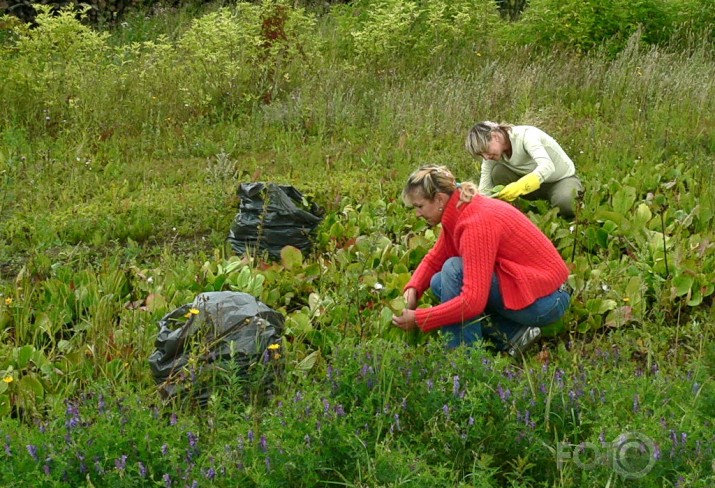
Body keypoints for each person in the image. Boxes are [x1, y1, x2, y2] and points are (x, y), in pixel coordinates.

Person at [391, 164, 572, 356]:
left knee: (454, 270)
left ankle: (463, 358)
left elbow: (472, 302)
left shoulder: (475, 223)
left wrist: (421, 319)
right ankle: (515, 334)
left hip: (548, 301)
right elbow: (435, 258)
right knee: (439, 282)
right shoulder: (460, 208)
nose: (417, 213)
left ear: (439, 199)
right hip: (535, 291)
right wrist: (413, 289)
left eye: (419, 206)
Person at [465, 121, 584, 218]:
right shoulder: (491, 156)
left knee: (568, 203)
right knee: (497, 173)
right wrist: (476, 210)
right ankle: (518, 215)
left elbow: (548, 166)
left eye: (486, 151)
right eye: (482, 155)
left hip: (559, 179)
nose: (486, 157)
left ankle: (561, 208)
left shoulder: (526, 136)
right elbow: (485, 189)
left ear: (495, 137)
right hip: (533, 185)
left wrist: (519, 187)